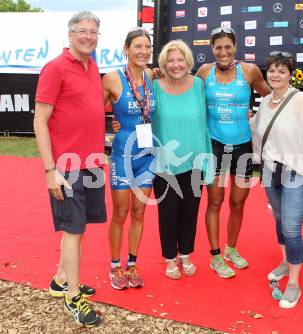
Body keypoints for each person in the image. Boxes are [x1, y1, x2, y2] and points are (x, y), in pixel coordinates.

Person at [33, 11, 105, 327]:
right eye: (83, 31)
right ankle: (73, 297)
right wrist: (50, 170)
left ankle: (60, 280)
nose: (88, 36)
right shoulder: (55, 68)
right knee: (73, 231)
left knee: (78, 229)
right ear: (70, 33)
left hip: (91, 164)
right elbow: (39, 121)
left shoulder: (93, 67)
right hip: (66, 167)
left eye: (93, 32)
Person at [196, 27, 271, 278]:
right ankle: (215, 256)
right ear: (212, 49)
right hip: (214, 145)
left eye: (228, 46)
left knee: (238, 203)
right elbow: (188, 97)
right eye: (218, 47)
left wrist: (257, 115)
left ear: (235, 47)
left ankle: (231, 249)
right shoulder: (204, 72)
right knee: (215, 201)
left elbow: (271, 96)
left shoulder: (249, 71)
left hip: (242, 146)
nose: (223, 51)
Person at [250, 52, 303, 308]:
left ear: (291, 74)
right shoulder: (265, 101)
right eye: (271, 70)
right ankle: (285, 262)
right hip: (271, 172)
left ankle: (293, 283)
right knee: (280, 220)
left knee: (292, 228)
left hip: (297, 172)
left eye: (282, 71)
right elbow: (255, 131)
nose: (276, 75)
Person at [153, 39, 213, 279]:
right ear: (163, 63)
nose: (176, 64)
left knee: (190, 211)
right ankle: (169, 259)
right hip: (164, 163)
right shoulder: (154, 86)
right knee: (168, 213)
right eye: (170, 60)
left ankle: (185, 254)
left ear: (188, 61)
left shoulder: (199, 85)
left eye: (180, 59)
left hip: (196, 160)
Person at [102, 28, 155, 290]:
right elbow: (93, 111)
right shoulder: (112, 78)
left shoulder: (153, 76)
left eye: (147, 46)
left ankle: (132, 263)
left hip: (146, 156)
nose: (143, 51)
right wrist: (111, 126)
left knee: (139, 211)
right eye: (137, 46)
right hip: (122, 154)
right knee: (121, 212)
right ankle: (115, 266)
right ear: (126, 48)